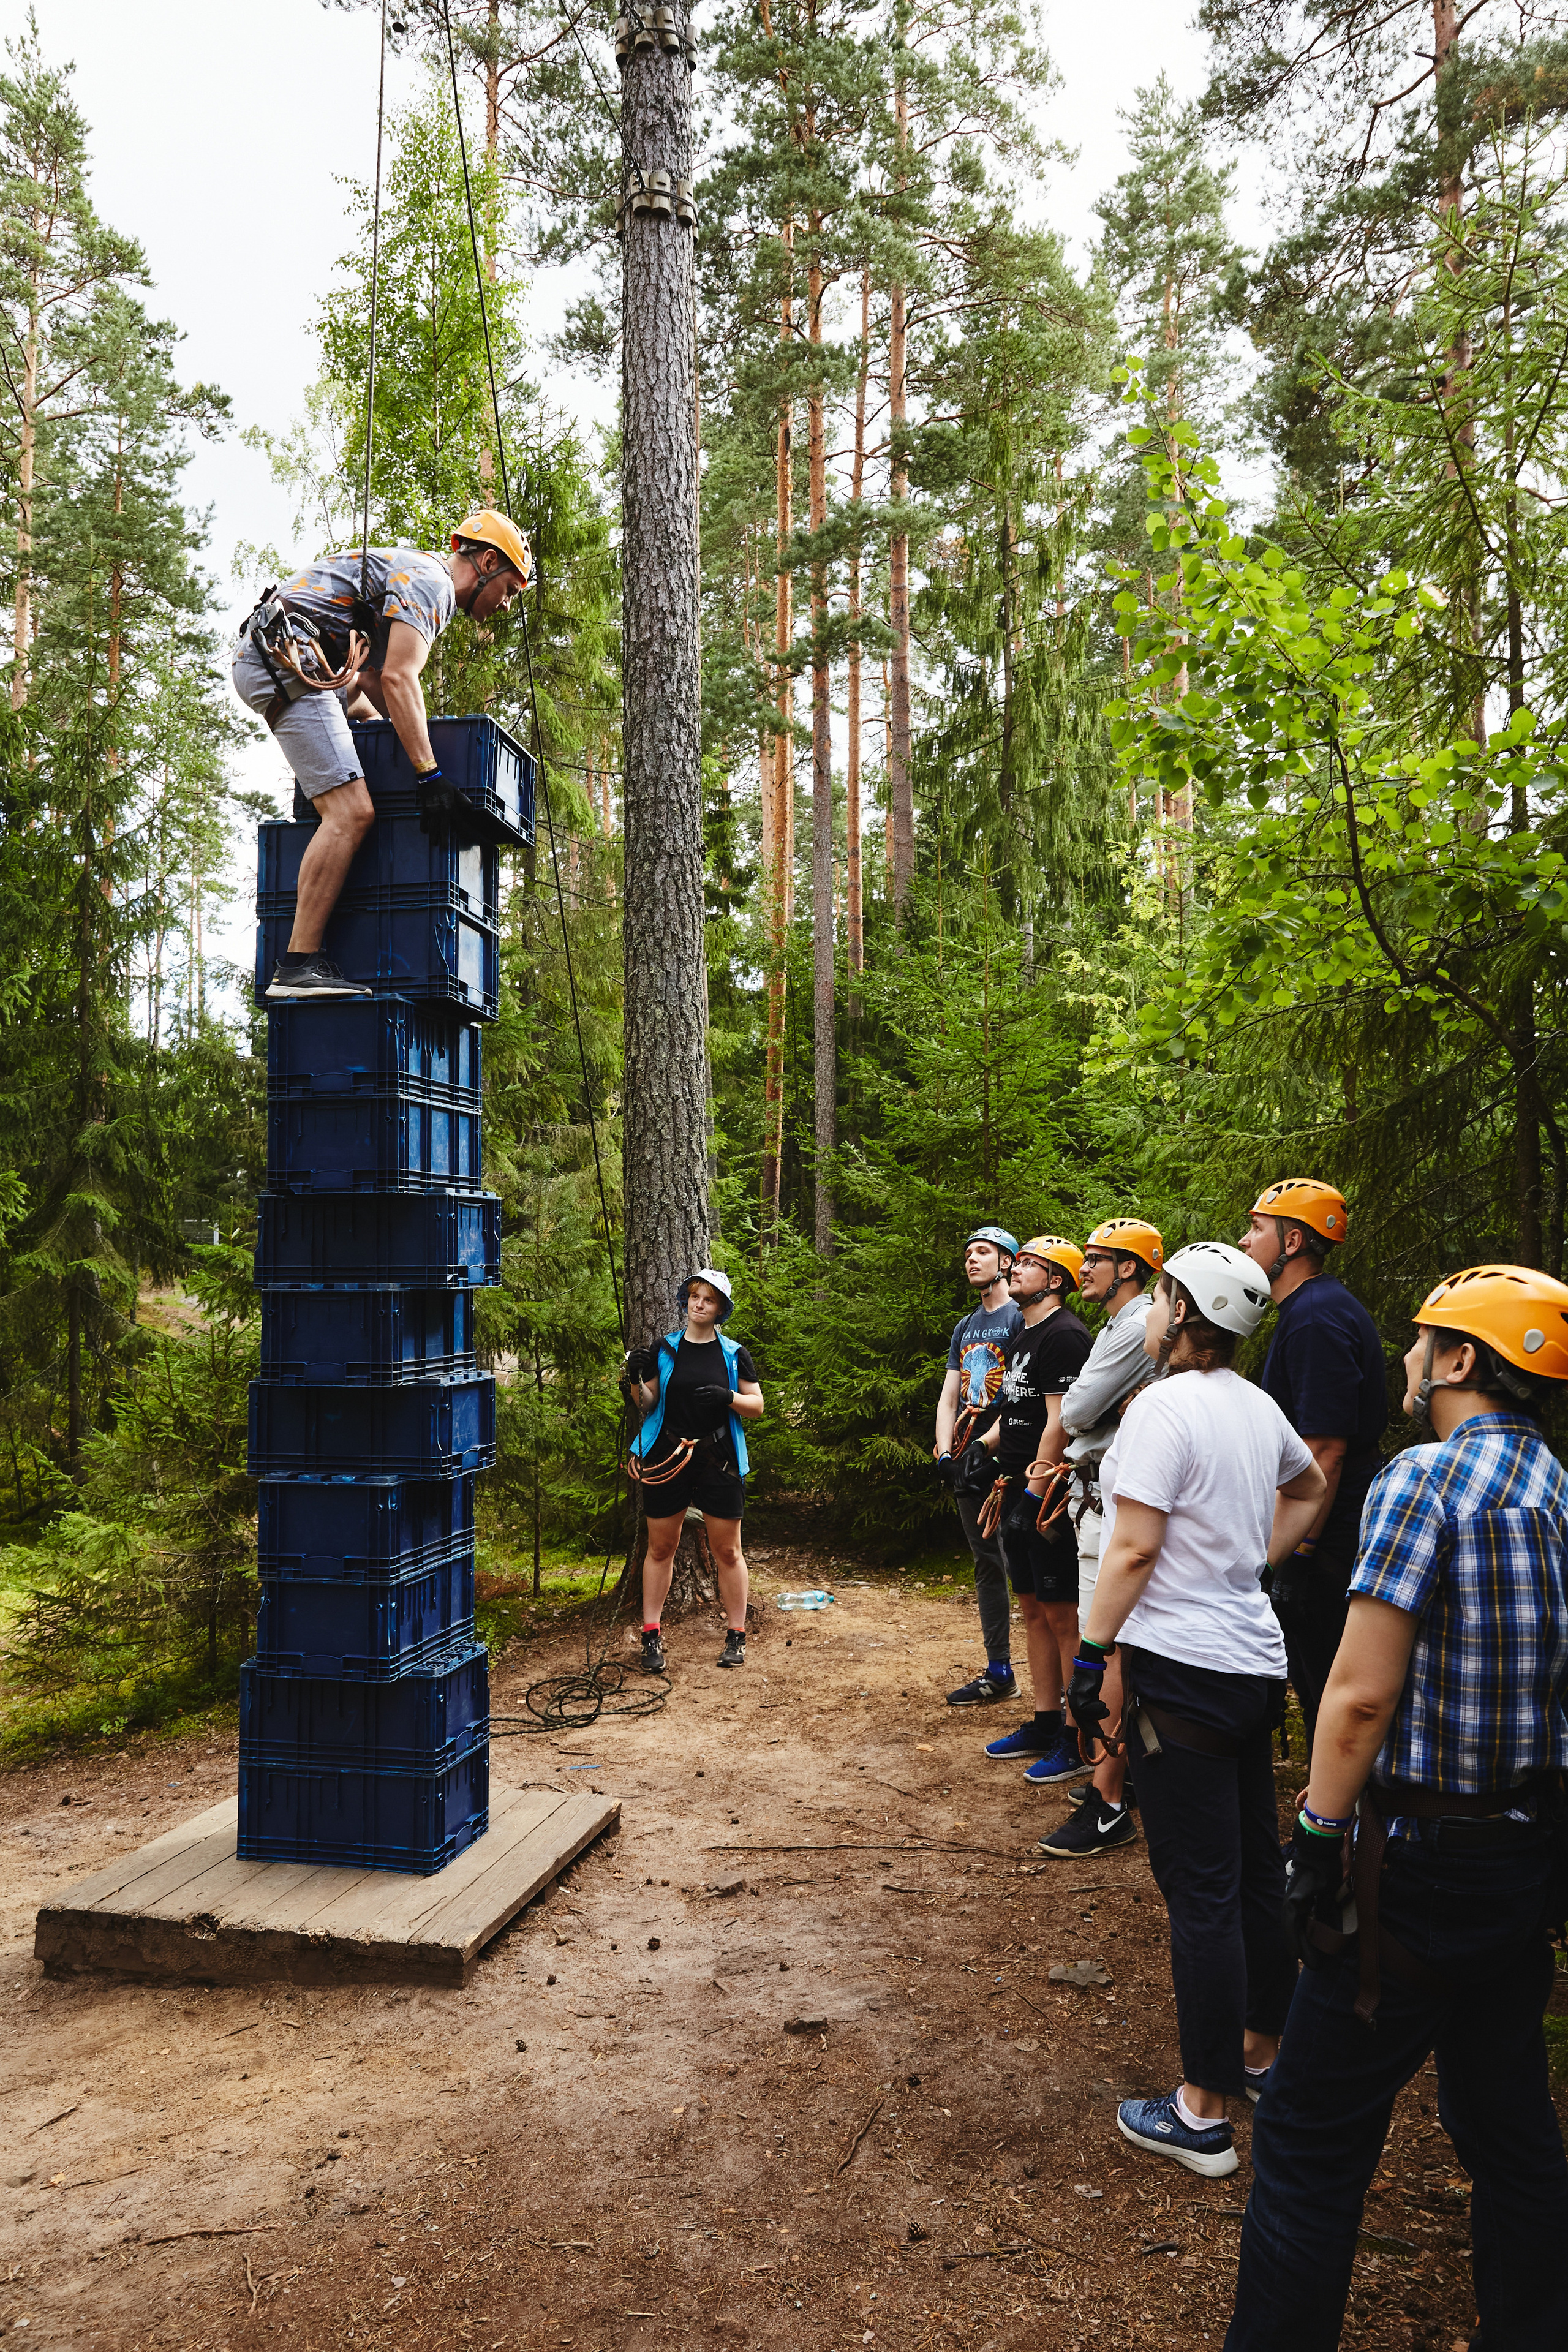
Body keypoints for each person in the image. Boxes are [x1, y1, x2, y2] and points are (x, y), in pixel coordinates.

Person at [1227, 1264, 1568, 2351]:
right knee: (1509, 2126)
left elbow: (1362, 1694)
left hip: (1412, 1869)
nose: (1408, 1359)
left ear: (1461, 1359)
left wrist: (1315, 1839)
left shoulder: (1425, 1480)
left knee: (1307, 2138)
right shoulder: (1557, 1487)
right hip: (1523, 1856)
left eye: (1423, 1341)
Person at [1068, 1243, 1327, 2179]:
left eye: (1160, 1297)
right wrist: (1251, 1564)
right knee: (1253, 1873)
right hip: (1252, 1668)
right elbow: (1311, 1487)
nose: (1149, 1311)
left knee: (1202, 1892)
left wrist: (1092, 1653)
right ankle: (1262, 2052)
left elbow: (1134, 1549)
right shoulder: (1255, 1406)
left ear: (1183, 1311)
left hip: (1182, 1675)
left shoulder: (1163, 1408)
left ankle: (1203, 2113)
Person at [232, 510, 532, 1001]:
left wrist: (391, 740)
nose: (506, 604)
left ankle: (302, 960)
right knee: (350, 813)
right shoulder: (432, 584)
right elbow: (398, 678)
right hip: (289, 660)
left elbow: (372, 680)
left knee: (365, 722)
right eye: (511, 590)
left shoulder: (419, 576)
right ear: (487, 563)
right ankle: (298, 967)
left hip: (295, 659)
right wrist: (429, 774)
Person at [1239, 1178, 1387, 1744]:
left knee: (1326, 1674)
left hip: (1331, 1530)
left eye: (1257, 1228)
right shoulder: (1310, 1309)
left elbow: (1325, 1449)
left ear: (1293, 1241)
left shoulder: (1316, 1318)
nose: (1246, 1240)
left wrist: (1297, 1556)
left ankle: (1339, 1800)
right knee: (1313, 1671)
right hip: (1327, 1523)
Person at [1035, 1216, 1163, 1860]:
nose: (1082, 1269)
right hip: (1100, 1490)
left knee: (1105, 1646)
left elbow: (1079, 1410)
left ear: (1128, 1269)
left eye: (1095, 1259)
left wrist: (1095, 1407)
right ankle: (1122, 1775)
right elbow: (1086, 1407)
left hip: (1111, 1500)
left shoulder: (1136, 1326)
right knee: (1117, 1645)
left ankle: (1108, 1802)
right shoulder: (1120, 1325)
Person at [970, 1237, 1093, 1780]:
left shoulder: (1065, 1336)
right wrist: (984, 1447)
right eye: (1016, 1263)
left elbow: (1059, 1422)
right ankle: (1045, 1720)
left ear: (1056, 1281)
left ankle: (1076, 1736)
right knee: (1034, 1609)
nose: (1016, 1269)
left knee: (1063, 1615)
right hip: (1015, 1484)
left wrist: (1035, 1495)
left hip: (1047, 1495)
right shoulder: (1024, 1331)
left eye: (1029, 1265)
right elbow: (1016, 1409)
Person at [624, 1268, 764, 1675]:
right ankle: (651, 1634)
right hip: (666, 1456)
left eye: (709, 1300)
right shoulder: (664, 1349)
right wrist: (634, 1377)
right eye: (694, 1297)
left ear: (720, 1309)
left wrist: (728, 1396)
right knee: (660, 1548)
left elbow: (757, 1405)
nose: (699, 1304)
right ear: (686, 1300)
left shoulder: (734, 1354)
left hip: (718, 1459)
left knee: (728, 1551)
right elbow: (646, 1402)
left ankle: (736, 1635)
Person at [933, 1226, 1024, 1706]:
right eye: (968, 1253)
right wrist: (946, 1452)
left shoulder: (1020, 1318)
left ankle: (1067, 1679)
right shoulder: (966, 1326)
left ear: (1007, 1262)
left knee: (1023, 1562)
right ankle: (1000, 1671)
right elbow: (949, 1395)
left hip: (1006, 1456)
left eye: (983, 1252)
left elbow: (1025, 1398)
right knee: (986, 1562)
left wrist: (986, 1449)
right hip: (967, 1460)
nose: (972, 1259)